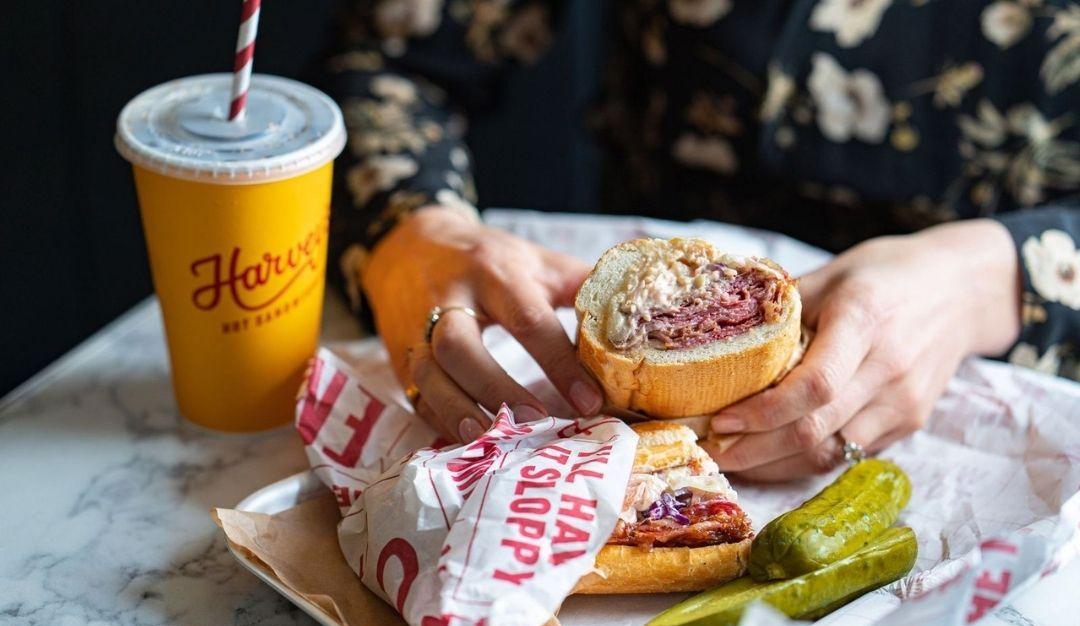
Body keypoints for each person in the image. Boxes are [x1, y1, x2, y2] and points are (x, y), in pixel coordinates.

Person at [321, 0, 1080, 480]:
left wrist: (991, 278)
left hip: (1012, 425)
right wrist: (411, 226)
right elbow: (393, 58)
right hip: (610, 413)